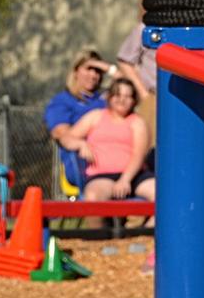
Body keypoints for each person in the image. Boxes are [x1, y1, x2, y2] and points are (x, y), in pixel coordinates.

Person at [61, 80, 155, 211]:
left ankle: (146, 232)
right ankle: (101, 231)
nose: (122, 100)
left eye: (127, 96)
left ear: (134, 101)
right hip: (102, 175)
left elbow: (138, 155)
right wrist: (80, 144)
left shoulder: (138, 122)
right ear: (110, 97)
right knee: (92, 197)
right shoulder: (95, 116)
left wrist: (125, 180)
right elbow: (66, 138)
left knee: (162, 197)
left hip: (135, 176)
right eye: (118, 95)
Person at [45, 49, 111, 193]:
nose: (93, 75)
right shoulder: (63, 101)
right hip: (84, 162)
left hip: (114, 158)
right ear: (75, 71)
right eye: (88, 69)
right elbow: (60, 132)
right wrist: (81, 143)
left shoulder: (106, 99)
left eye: (98, 71)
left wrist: (108, 68)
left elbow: (131, 84)